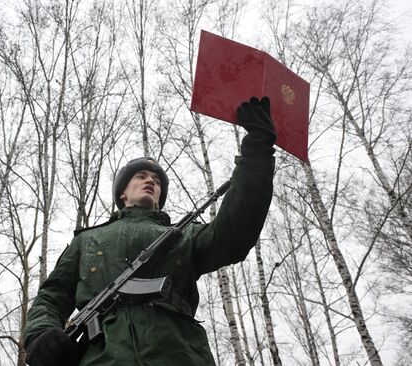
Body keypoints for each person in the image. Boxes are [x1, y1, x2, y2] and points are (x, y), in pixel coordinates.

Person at [24, 96, 276, 366]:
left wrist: (256, 155)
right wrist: (41, 333)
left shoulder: (183, 236)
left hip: (178, 353)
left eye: (156, 181)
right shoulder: (88, 240)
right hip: (103, 357)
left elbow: (233, 234)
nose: (150, 182)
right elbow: (52, 296)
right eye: (141, 176)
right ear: (122, 192)